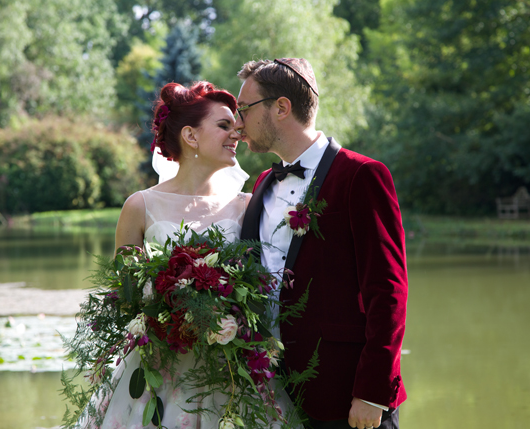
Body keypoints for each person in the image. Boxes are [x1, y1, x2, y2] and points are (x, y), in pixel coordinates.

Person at [79, 81, 264, 429]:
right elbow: (125, 295)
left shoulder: (248, 206)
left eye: (236, 125)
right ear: (191, 136)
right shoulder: (140, 206)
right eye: (224, 125)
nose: (236, 133)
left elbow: (261, 289)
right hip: (158, 370)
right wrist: (167, 303)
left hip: (226, 370)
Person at [237, 58, 408, 429]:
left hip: (346, 398)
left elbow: (388, 291)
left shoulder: (361, 175)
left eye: (244, 109)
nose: (238, 122)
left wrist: (372, 391)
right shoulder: (263, 182)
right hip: (272, 398)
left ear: (281, 108)